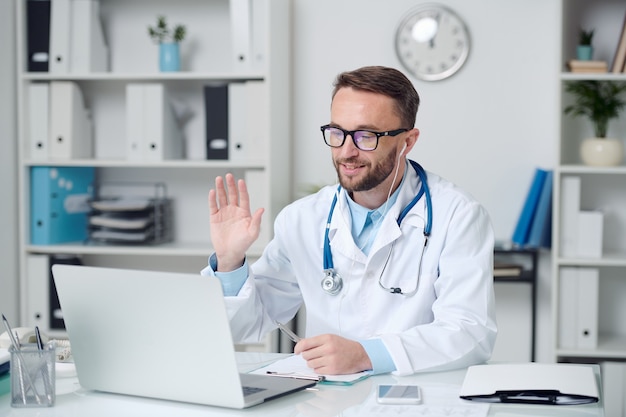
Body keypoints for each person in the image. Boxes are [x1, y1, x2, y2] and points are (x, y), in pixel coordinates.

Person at [202, 65, 497, 376]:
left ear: (407, 142)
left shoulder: (458, 216)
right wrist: (230, 261)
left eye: (366, 136)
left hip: (417, 395)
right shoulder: (302, 219)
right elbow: (248, 323)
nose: (346, 151)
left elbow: (470, 332)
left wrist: (366, 355)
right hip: (325, 397)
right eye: (337, 133)